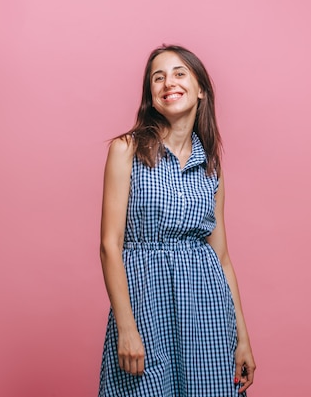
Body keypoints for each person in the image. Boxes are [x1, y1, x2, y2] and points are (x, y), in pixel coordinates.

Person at [98, 44, 256, 396]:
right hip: (146, 306)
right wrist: (126, 327)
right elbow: (110, 246)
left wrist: (242, 337)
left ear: (201, 89)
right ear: (152, 96)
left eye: (179, 73)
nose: (168, 82)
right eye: (158, 77)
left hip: (206, 310)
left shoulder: (211, 166)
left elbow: (223, 258)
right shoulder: (126, 150)